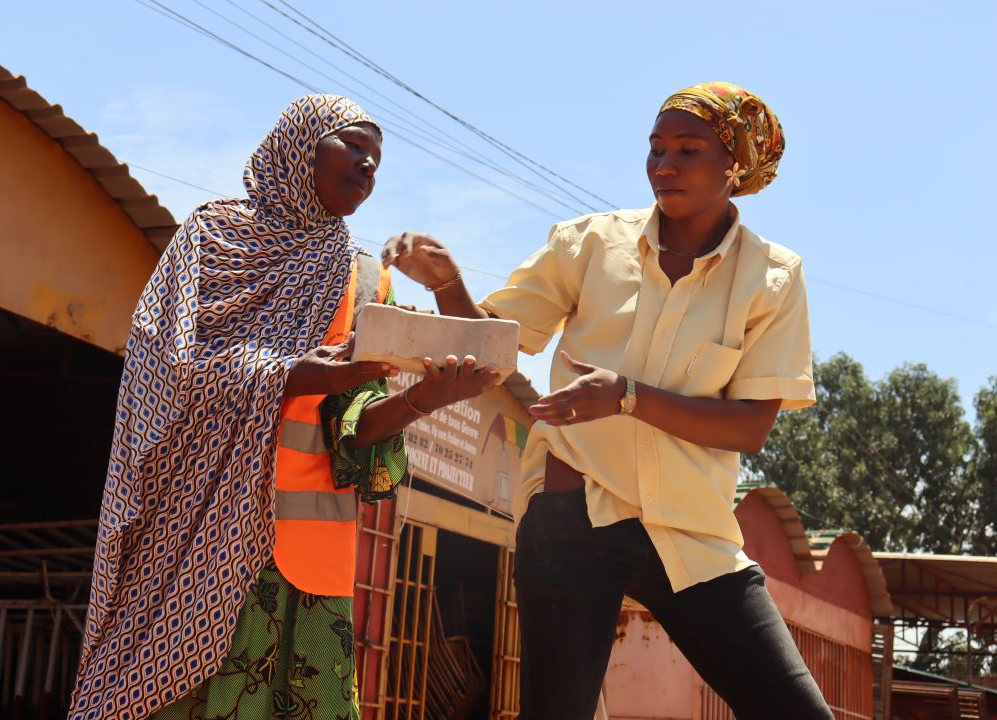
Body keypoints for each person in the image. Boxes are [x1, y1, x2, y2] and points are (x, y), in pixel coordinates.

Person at [382, 82, 833, 720]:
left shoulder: (773, 277)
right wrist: (450, 283)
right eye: (655, 150)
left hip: (690, 528)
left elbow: (750, 427)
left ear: (735, 163)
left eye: (688, 149)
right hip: (573, 514)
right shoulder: (589, 243)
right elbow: (494, 347)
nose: (664, 166)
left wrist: (626, 398)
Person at [70, 94, 500, 720]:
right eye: (352, 145)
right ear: (299, 145)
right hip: (191, 545)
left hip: (303, 566)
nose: (366, 166)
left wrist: (422, 398)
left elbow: (353, 433)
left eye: (375, 160)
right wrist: (289, 374)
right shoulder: (211, 237)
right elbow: (162, 369)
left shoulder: (360, 280)